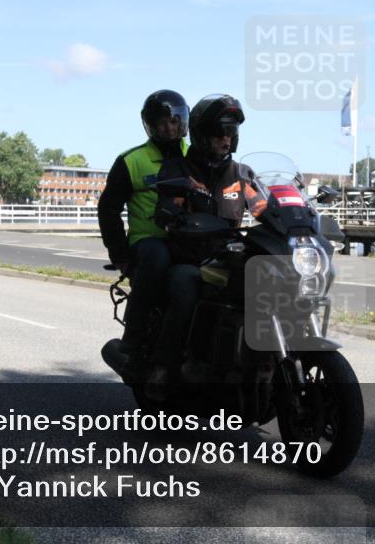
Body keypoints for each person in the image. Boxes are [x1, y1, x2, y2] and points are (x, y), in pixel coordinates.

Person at [146, 94, 266, 400]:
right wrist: (173, 214)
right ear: (201, 134)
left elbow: (265, 208)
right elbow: (167, 207)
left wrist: (293, 218)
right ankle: (163, 365)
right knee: (186, 285)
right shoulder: (178, 169)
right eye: (219, 131)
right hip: (190, 258)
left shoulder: (241, 174)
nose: (226, 138)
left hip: (230, 259)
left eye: (231, 131)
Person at [98, 90, 189, 378]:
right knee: (158, 257)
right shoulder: (131, 161)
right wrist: (120, 256)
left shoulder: (196, 156)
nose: (169, 128)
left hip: (191, 239)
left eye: (174, 121)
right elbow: (108, 210)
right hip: (148, 241)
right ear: (150, 126)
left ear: (184, 121)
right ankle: (133, 340)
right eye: (162, 123)